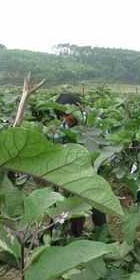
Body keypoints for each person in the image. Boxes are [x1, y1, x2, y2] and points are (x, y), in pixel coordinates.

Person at [54, 93, 107, 237]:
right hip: (71, 173)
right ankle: (74, 234)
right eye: (61, 116)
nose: (65, 119)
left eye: (66, 114)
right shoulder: (62, 128)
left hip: (92, 170)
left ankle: (102, 233)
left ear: (77, 109)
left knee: (97, 204)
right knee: (72, 204)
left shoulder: (92, 123)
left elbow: (104, 146)